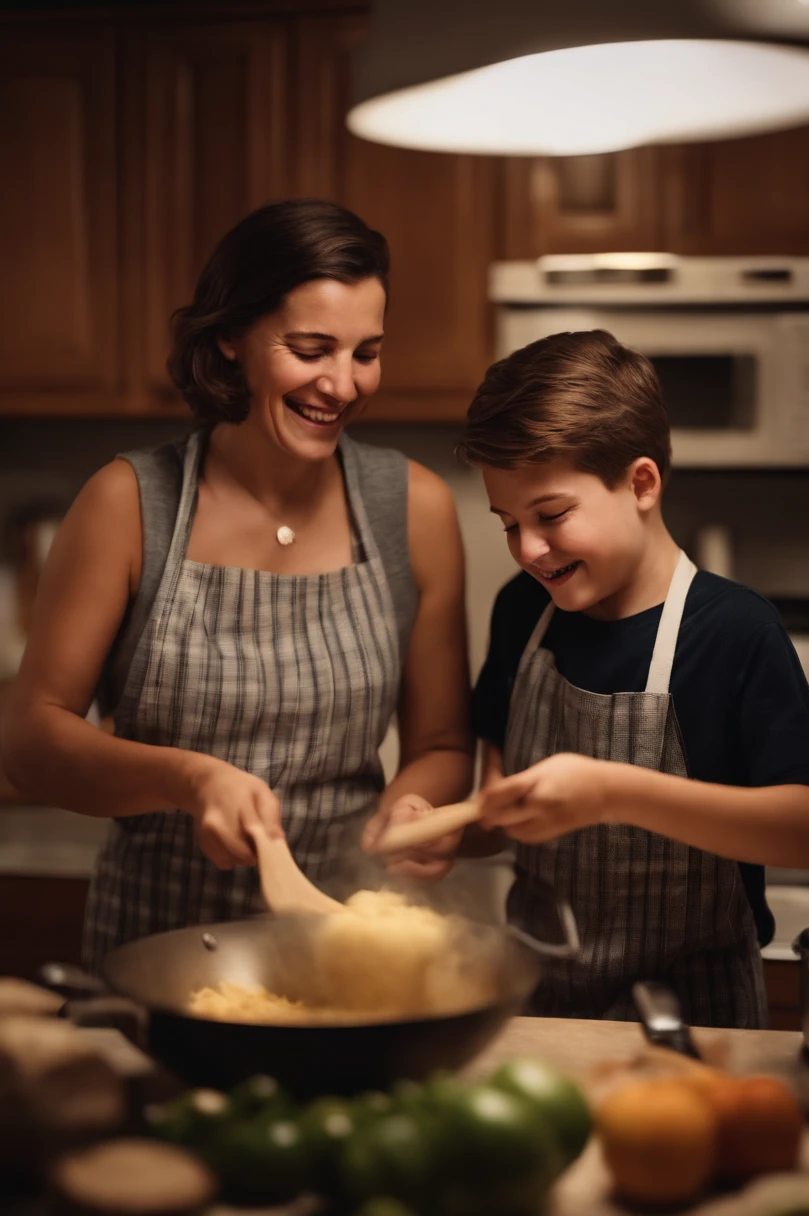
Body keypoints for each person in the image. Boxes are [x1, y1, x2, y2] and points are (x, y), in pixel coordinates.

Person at [0, 198, 473, 973]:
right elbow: (30, 742)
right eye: (311, 348)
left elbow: (444, 744)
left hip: (348, 944)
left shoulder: (412, 507)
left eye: (365, 353)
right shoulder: (129, 503)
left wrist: (414, 809)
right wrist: (187, 778)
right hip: (157, 949)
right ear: (230, 339)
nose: (344, 385)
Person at [365, 329, 809, 1028]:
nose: (528, 549)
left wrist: (614, 792)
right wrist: (446, 831)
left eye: (551, 516)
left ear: (641, 482)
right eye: (508, 523)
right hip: (537, 1010)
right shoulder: (524, 611)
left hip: (692, 1026)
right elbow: (500, 809)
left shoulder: (732, 631)